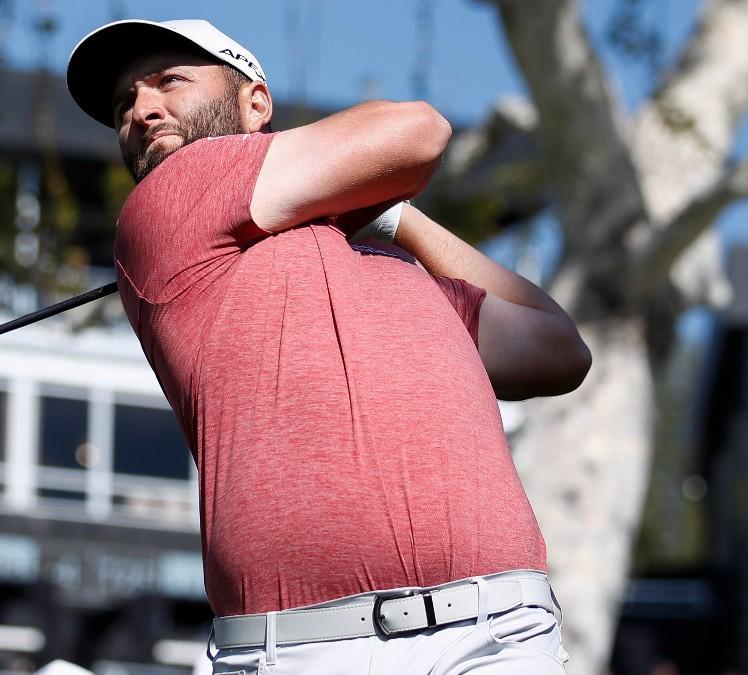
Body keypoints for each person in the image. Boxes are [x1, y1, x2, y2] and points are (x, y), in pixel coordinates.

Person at [66, 18, 591, 674]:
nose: (143, 109)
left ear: (255, 102)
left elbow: (557, 347)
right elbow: (414, 133)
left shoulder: (401, 275)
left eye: (169, 82)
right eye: (124, 104)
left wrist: (395, 219)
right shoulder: (166, 202)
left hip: (497, 634)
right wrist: (360, 185)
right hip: (309, 647)